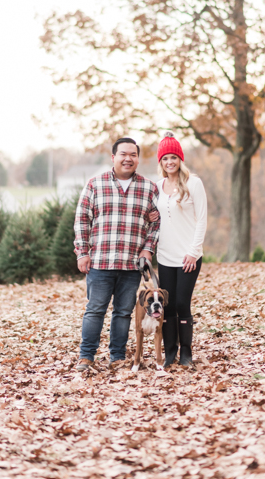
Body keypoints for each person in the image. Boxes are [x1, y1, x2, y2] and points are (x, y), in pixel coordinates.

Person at [73, 137, 160, 372]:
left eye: (133, 154)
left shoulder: (149, 188)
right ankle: (86, 356)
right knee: (95, 310)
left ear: (138, 159)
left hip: (132, 265)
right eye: (123, 154)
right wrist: (82, 252)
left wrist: (148, 249)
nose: (128, 158)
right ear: (114, 157)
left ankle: (117, 357)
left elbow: (156, 222)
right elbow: (82, 219)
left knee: (123, 313)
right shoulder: (95, 184)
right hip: (101, 262)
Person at [155, 131, 208, 367]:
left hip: (188, 256)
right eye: (165, 158)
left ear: (180, 159)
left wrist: (194, 251)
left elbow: (202, 220)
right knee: (167, 305)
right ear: (161, 162)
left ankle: (186, 352)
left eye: (173, 157)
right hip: (165, 256)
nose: (170, 162)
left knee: (182, 304)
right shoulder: (157, 187)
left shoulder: (194, 184)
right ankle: (170, 352)